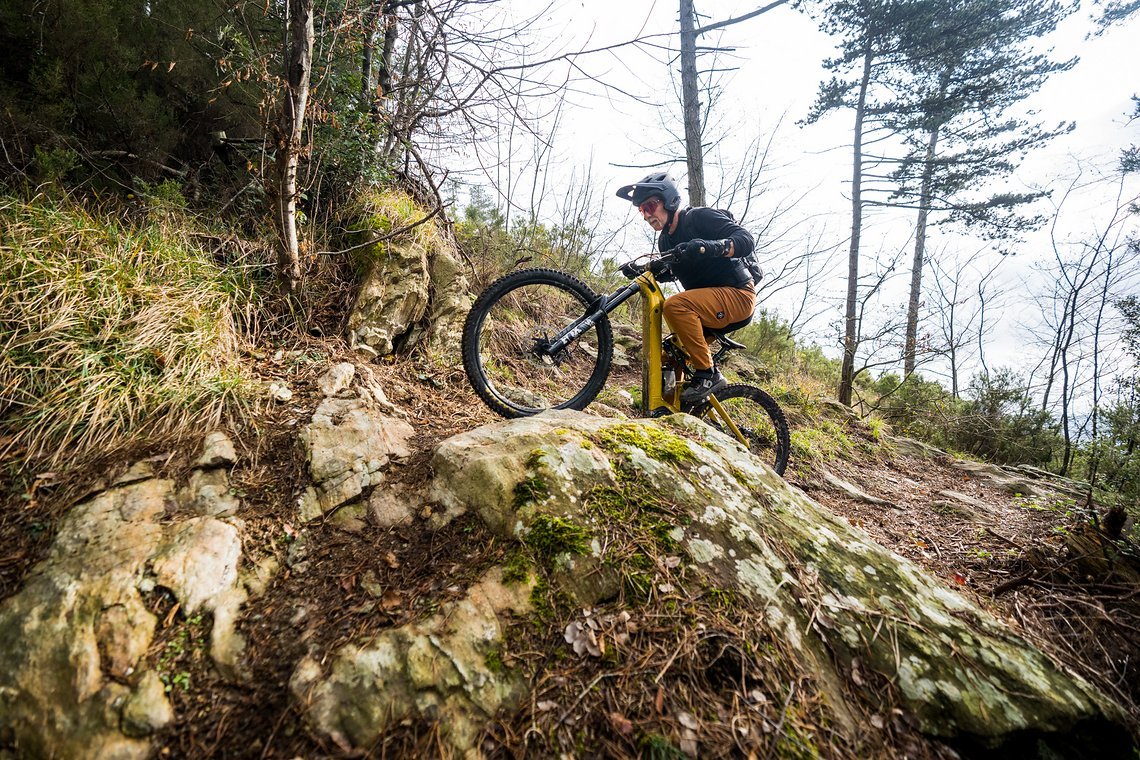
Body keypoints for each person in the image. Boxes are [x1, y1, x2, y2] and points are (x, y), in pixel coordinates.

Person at [616, 172, 757, 407]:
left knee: (676, 305)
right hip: (707, 307)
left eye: (650, 206)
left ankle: (709, 373)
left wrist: (707, 247)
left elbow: (745, 240)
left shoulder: (699, 218)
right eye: (642, 210)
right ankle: (674, 410)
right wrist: (641, 270)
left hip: (738, 294)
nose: (647, 215)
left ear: (668, 200)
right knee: (671, 352)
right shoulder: (665, 241)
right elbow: (670, 272)